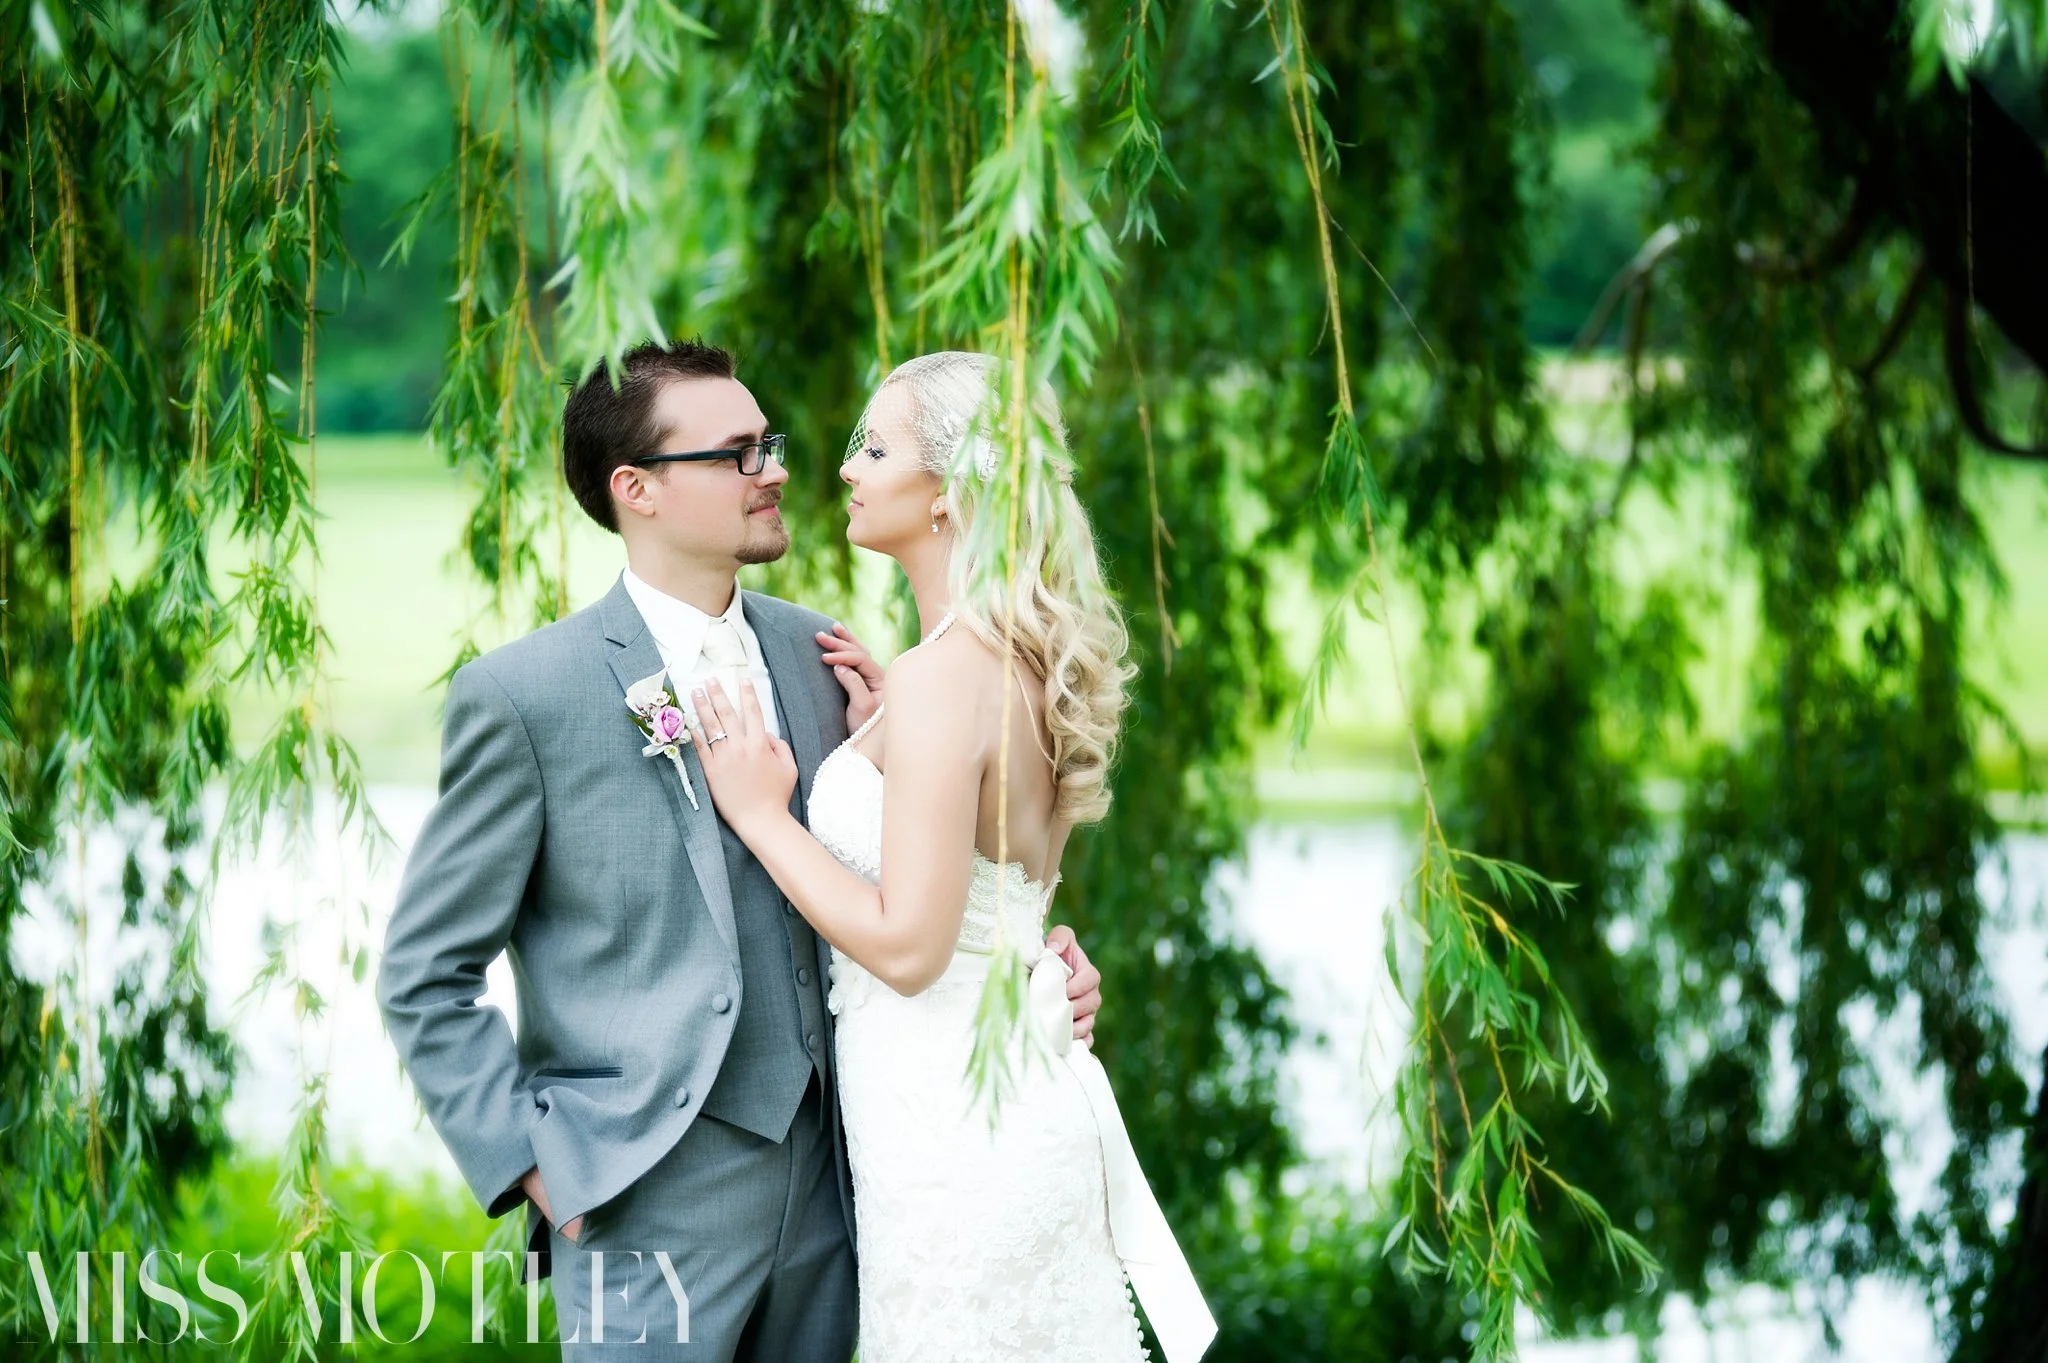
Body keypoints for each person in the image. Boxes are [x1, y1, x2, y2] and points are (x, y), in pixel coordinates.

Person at [375, 339, 1106, 1360]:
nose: (776, 471)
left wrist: (1023, 963)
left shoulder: (825, 660)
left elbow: (928, 876)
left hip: (848, 1200)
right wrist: (537, 1166)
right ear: (636, 488)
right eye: (735, 454)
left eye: (769, 443)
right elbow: (424, 972)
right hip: (642, 1207)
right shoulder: (526, 696)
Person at [687, 351, 1217, 1363]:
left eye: (875, 448)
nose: (846, 468)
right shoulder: (1012, 662)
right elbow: (1000, 889)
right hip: (1003, 1094)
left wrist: (762, 816)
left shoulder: (943, 678)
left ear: (946, 491)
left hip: (950, 1129)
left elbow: (910, 946)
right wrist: (886, 737)